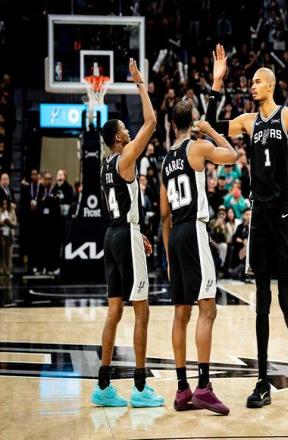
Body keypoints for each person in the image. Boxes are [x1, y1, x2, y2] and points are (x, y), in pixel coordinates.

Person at [206, 44, 288, 408]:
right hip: (259, 214)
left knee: (286, 298)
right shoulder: (248, 121)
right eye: (251, 82)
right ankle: (261, 381)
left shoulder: (287, 115)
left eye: (257, 81)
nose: (252, 86)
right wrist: (216, 82)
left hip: (283, 216)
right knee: (261, 301)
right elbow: (210, 127)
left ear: (270, 85)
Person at [91, 59, 164, 408]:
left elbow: (119, 205)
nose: (129, 131)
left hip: (113, 235)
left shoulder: (105, 165)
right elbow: (152, 121)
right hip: (126, 236)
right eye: (124, 128)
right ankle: (139, 386)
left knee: (114, 311)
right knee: (142, 312)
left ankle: (103, 385)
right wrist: (139, 84)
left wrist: (136, 231)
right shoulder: (125, 158)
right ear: (119, 137)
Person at [160, 101, 237, 415]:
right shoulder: (197, 147)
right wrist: (211, 131)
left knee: (181, 313)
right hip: (194, 229)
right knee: (208, 309)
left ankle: (182, 389)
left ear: (171, 125)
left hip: (176, 235)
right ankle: (203, 386)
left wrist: (168, 258)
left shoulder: (166, 161)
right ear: (191, 123)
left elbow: (163, 214)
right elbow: (232, 155)